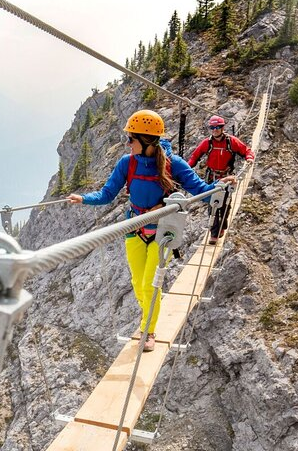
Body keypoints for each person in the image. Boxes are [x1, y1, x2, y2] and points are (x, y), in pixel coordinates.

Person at [67, 110, 236, 352]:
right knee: (138, 283)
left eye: (131, 139)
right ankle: (149, 317)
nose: (128, 144)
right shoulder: (127, 163)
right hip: (135, 229)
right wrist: (83, 199)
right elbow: (106, 194)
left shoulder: (173, 164)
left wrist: (219, 187)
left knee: (149, 285)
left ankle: (149, 330)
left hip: (162, 232)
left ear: (145, 140)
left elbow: (200, 190)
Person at [187, 115, 254, 244]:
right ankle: (214, 234)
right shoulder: (207, 143)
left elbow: (246, 150)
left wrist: (249, 158)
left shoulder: (231, 141)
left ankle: (222, 226)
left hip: (227, 177)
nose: (215, 130)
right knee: (212, 205)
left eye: (218, 127)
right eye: (212, 127)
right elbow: (195, 156)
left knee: (225, 205)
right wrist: (185, 169)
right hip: (212, 177)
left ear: (223, 128)